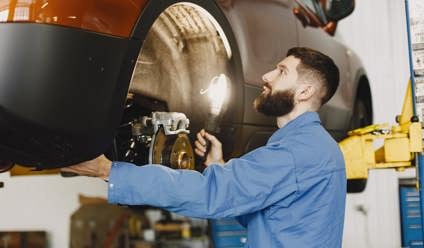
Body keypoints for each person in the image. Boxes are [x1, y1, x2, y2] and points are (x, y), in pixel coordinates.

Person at [62, 47, 346, 247]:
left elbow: (212, 195)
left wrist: (110, 171)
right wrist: (219, 168)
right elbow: (257, 212)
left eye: (282, 71)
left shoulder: (296, 153)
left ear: (305, 91)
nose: (267, 76)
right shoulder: (314, 147)